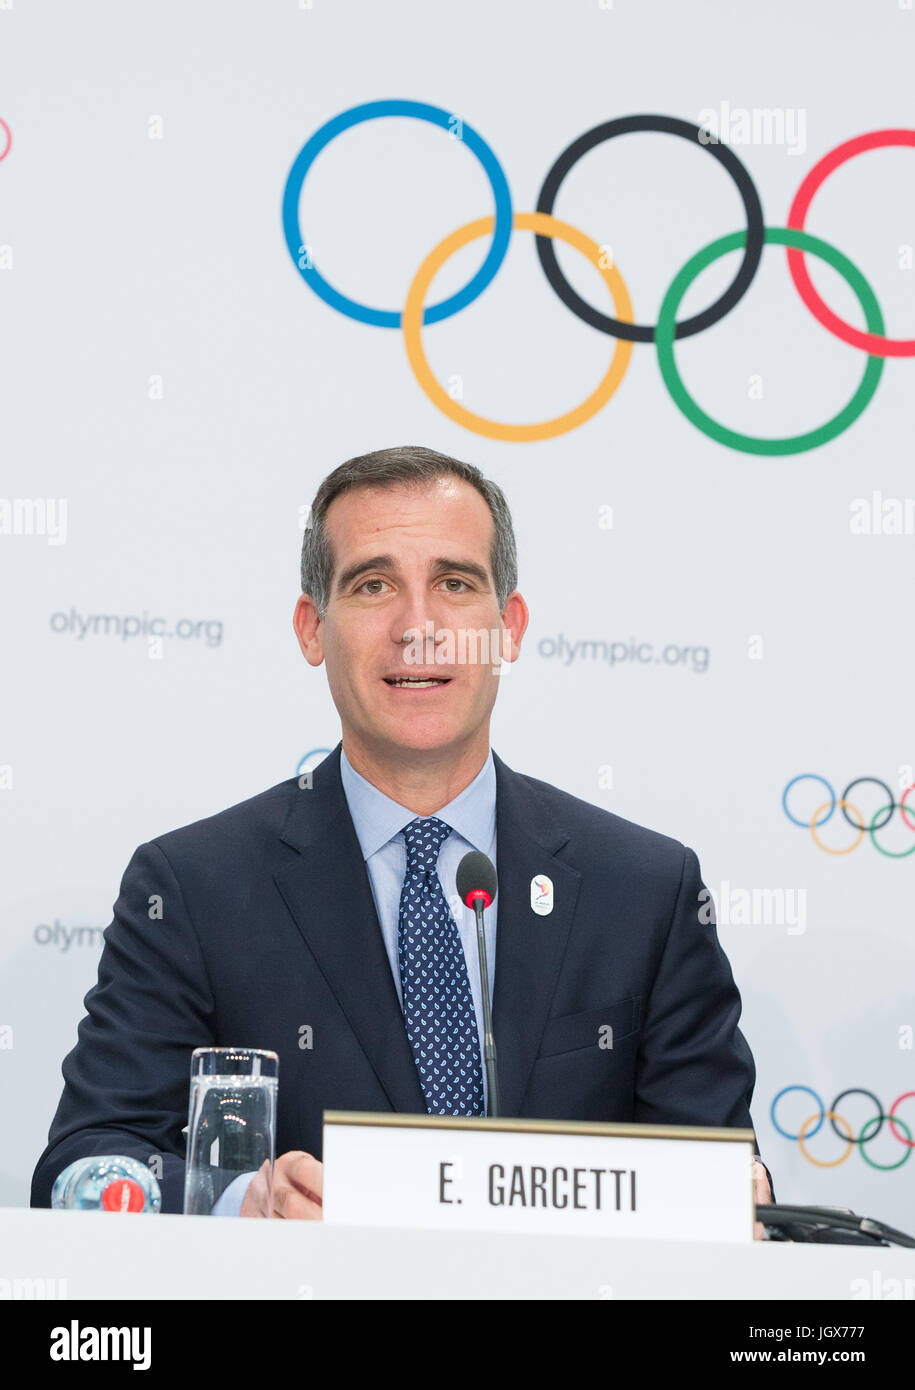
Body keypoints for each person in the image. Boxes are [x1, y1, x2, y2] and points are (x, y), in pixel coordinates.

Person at [31, 445, 773, 1225]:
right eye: (373, 584)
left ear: (508, 629)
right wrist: (240, 1202)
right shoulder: (192, 887)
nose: (417, 628)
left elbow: (717, 1175)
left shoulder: (644, 889)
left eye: (454, 584)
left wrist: (730, 1195)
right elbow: (87, 1161)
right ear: (311, 628)